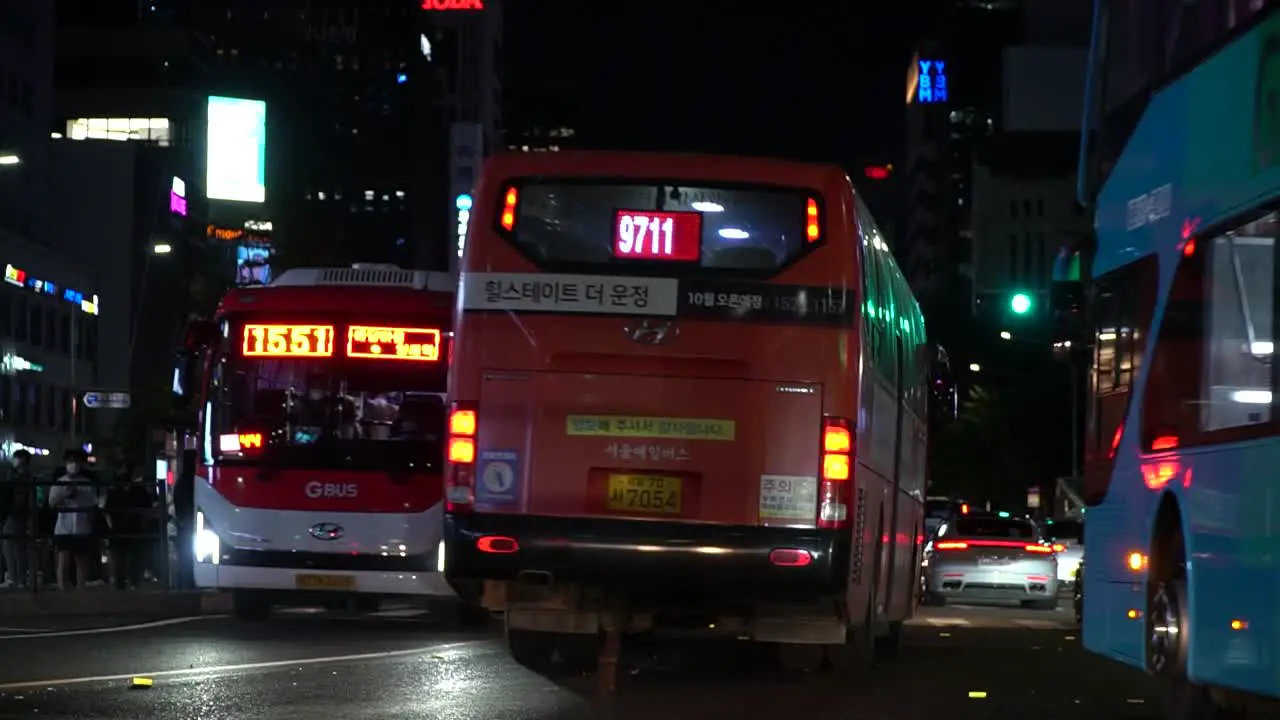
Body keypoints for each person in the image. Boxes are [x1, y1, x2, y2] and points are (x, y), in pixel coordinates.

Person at [48, 449, 97, 589]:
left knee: (81, 561)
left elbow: (92, 505)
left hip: (82, 527)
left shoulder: (87, 483)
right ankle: (62, 589)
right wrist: (64, 494)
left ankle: (81, 591)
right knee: (63, 559)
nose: (73, 464)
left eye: (76, 461)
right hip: (63, 527)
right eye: (70, 461)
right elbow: (51, 503)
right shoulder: (59, 482)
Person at [103, 465, 155, 589]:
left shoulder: (120, 491)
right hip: (124, 531)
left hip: (128, 531)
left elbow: (106, 512)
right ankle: (126, 583)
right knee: (123, 562)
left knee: (129, 561)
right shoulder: (117, 491)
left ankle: (128, 583)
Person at [0, 450, 33, 587]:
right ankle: (19, 578)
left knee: (10, 545)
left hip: (16, 515)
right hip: (18, 515)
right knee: (17, 547)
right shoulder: (21, 477)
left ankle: (15, 578)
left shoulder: (21, 478)